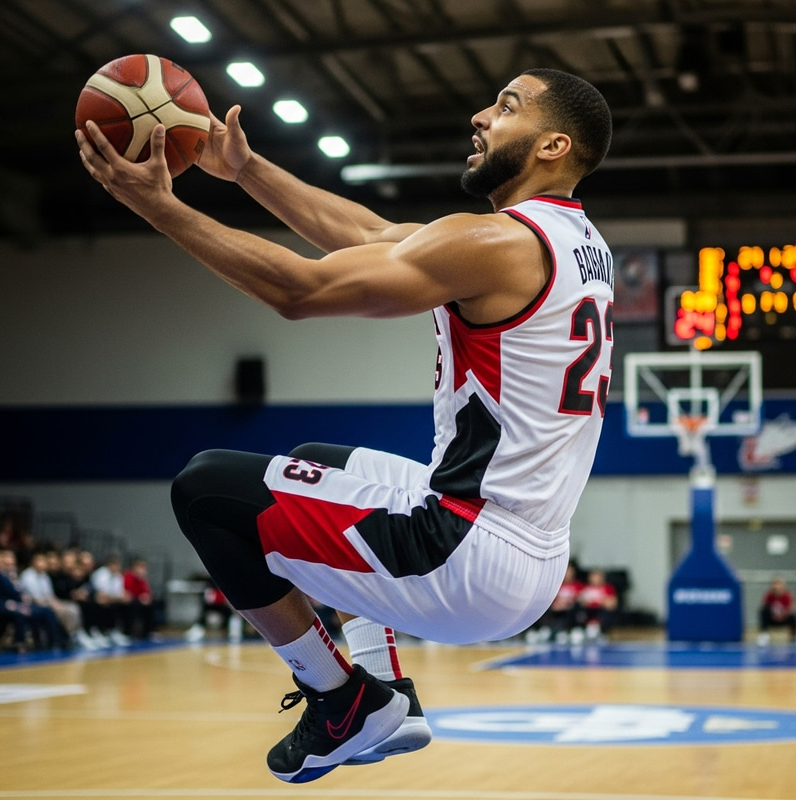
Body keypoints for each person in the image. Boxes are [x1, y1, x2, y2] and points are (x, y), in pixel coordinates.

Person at [76, 68, 613, 783]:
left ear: (553, 144)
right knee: (316, 458)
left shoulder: (498, 245)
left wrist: (160, 208)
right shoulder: (573, 242)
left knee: (208, 491)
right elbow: (366, 232)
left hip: (464, 552)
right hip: (528, 551)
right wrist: (246, 171)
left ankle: (341, 700)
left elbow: (300, 290)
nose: (481, 116)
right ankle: (390, 691)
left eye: (506, 107)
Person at [576, 568, 618, 640]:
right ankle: (581, 630)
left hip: (601, 611)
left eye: (597, 577)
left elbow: (612, 604)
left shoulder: (608, 588)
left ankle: (599, 631)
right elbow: (580, 601)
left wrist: (596, 602)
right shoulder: (585, 588)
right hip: (588, 611)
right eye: (593, 577)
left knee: (604, 613)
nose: (595, 579)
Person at [757, 577, 796, 645]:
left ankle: (793, 636)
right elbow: (764, 606)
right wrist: (773, 615)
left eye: (779, 586)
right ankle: (764, 634)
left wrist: (782, 616)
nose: (777, 588)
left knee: (793, 616)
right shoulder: (769, 595)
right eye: (775, 586)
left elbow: (791, 608)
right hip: (772, 619)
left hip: (784, 619)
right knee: (763, 611)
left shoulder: (787, 596)